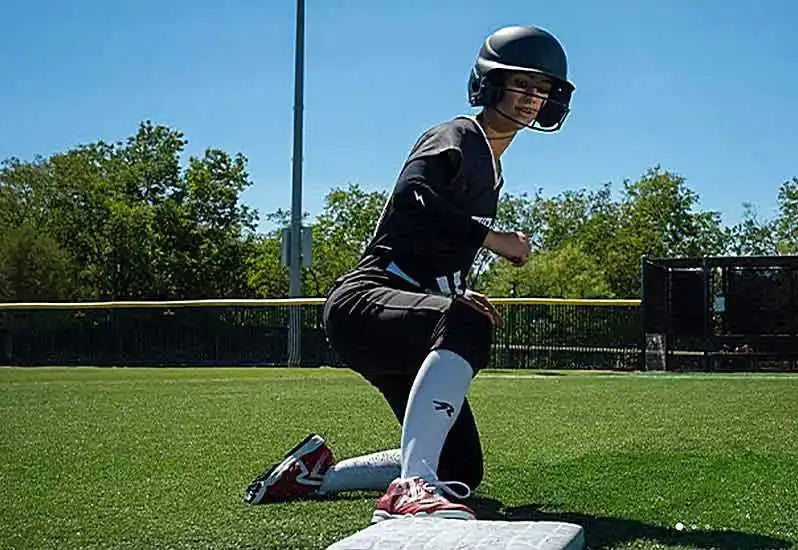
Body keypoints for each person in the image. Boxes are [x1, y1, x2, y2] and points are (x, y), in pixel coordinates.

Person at [241, 25, 574, 522]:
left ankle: (317, 473)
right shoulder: (459, 133)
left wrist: (457, 292)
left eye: (542, 88)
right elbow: (412, 196)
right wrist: (495, 241)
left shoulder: (492, 168)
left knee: (463, 467)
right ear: (489, 84)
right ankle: (411, 488)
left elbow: (430, 242)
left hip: (404, 311)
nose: (532, 98)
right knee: (465, 322)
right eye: (521, 84)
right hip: (366, 300)